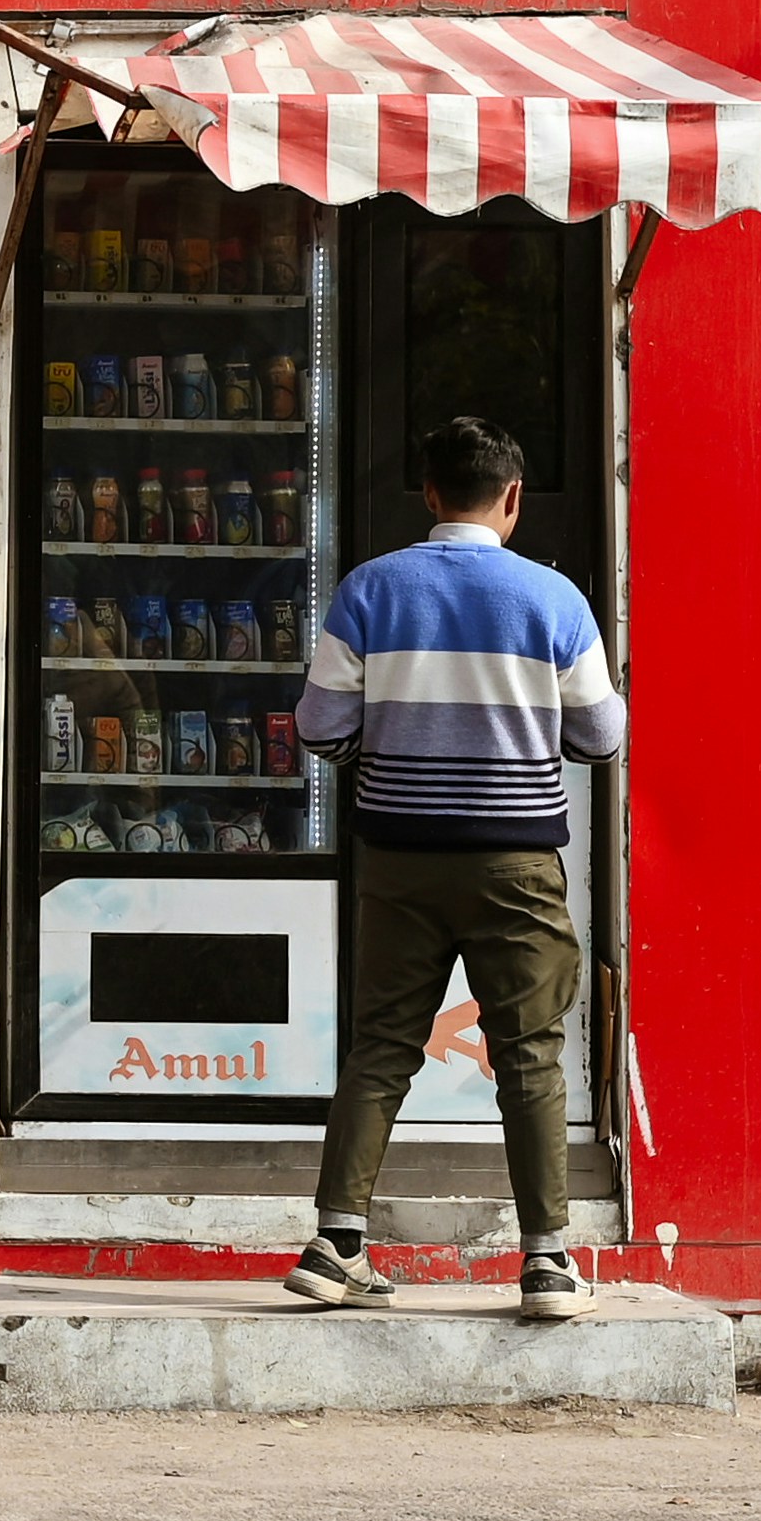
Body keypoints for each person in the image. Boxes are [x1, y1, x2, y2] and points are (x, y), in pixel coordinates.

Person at [283, 412, 618, 1320]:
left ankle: (335, 1243)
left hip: (397, 860)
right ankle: (547, 1263)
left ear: (429, 494)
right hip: (516, 866)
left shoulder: (368, 590)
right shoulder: (553, 601)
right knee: (531, 1055)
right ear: (513, 499)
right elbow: (602, 734)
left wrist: (387, 750)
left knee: (381, 1047)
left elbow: (318, 727)